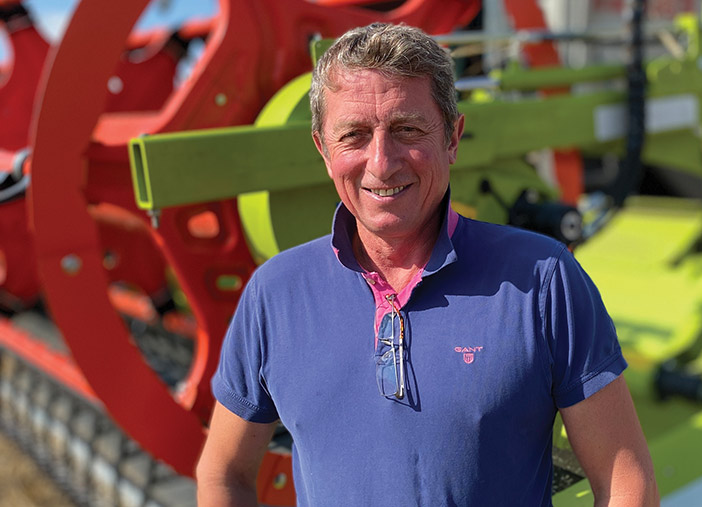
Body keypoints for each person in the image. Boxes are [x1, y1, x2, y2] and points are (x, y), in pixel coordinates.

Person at [196, 22, 658, 506]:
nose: (382, 162)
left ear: (453, 138)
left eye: (407, 130)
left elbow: (626, 482)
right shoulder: (275, 294)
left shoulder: (543, 280)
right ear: (324, 150)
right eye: (354, 135)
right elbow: (223, 475)